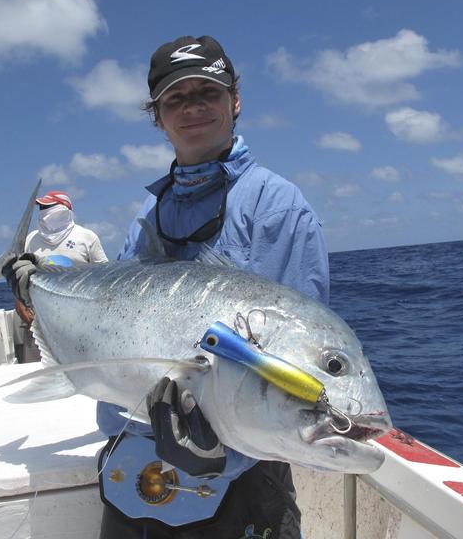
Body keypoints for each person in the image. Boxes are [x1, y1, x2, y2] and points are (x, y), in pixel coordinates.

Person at [95, 35, 330, 538]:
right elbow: (114, 320)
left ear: (235, 101)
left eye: (208, 92)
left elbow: (296, 361)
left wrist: (223, 449)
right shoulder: (148, 213)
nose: (193, 107)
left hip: (238, 483)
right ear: (158, 117)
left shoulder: (276, 205)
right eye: (176, 98)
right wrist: (36, 281)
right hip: (133, 469)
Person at [13, 190, 108, 329]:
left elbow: (105, 275)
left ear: (63, 209)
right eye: (41, 207)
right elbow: (22, 275)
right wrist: (19, 301)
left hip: (82, 313)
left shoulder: (87, 237)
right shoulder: (31, 239)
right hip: (43, 316)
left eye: (47, 207)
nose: (43, 211)